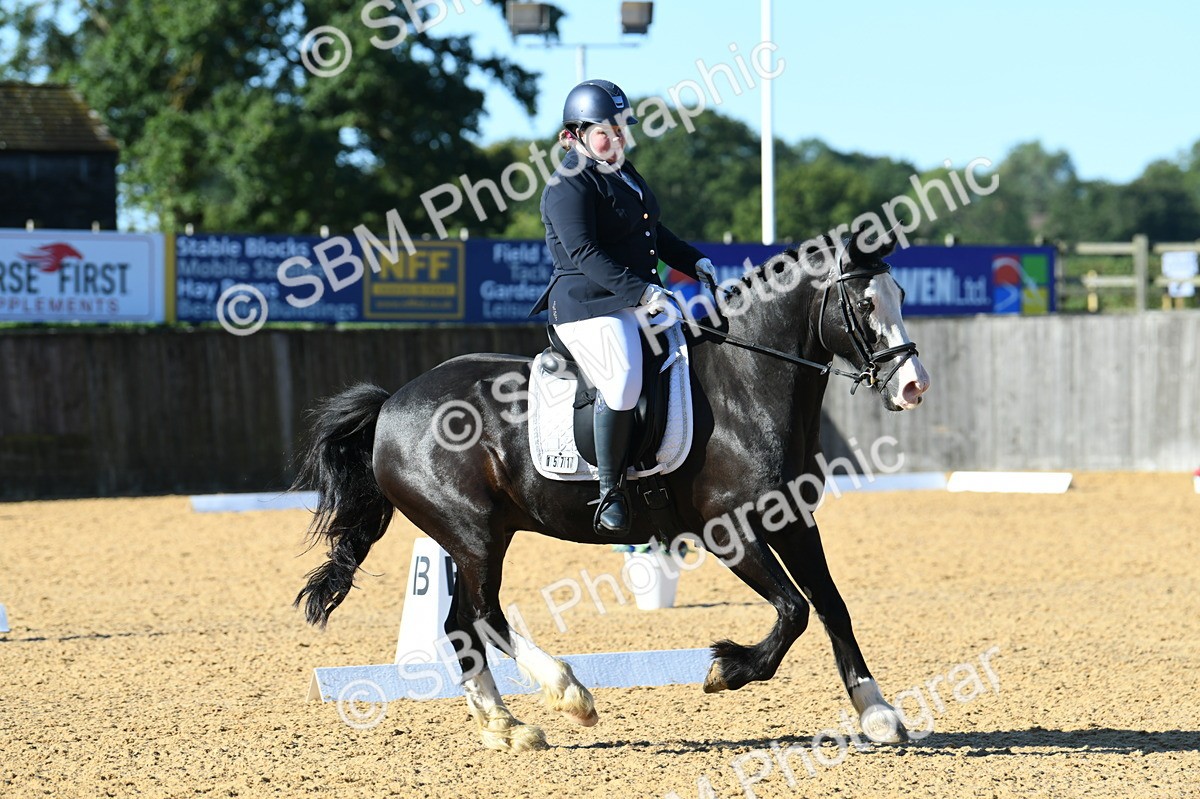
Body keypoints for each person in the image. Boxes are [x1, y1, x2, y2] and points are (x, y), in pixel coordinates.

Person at [529, 79, 717, 536]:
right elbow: (585, 254)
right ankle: (610, 491)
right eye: (605, 132)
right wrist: (643, 293)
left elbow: (655, 234)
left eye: (621, 128)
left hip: (631, 298)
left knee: (697, 348)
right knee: (623, 378)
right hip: (586, 306)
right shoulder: (568, 185)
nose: (617, 139)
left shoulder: (626, 173)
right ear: (572, 136)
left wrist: (695, 261)